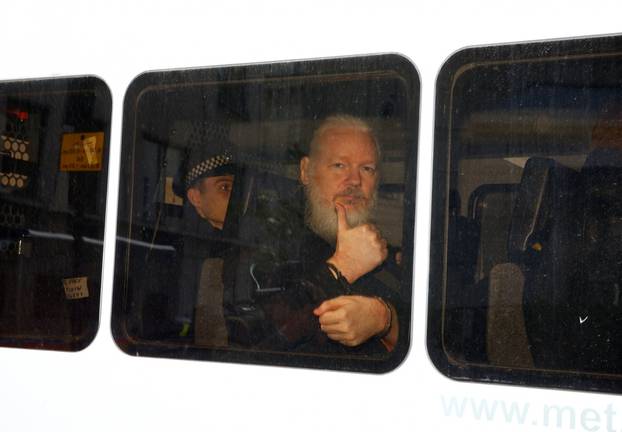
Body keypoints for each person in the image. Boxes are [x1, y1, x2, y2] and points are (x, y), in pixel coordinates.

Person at [260, 115, 401, 354]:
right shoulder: (271, 240)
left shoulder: (390, 257)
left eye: (366, 169)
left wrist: (385, 320)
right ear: (306, 170)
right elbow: (260, 342)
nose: (354, 180)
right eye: (339, 165)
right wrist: (342, 267)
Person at [172, 121, 237, 347]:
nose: (234, 196)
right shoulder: (185, 252)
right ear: (196, 198)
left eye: (235, 188)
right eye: (224, 188)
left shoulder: (234, 242)